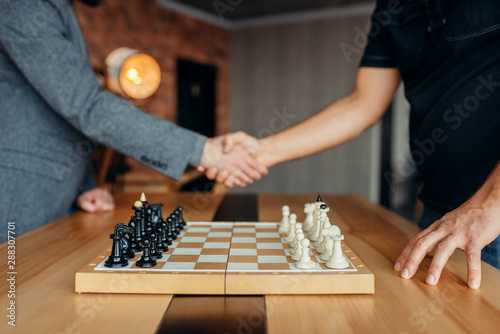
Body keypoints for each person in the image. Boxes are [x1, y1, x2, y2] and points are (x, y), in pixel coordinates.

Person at [211, 0, 500, 289]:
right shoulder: (391, 7)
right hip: (439, 212)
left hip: (491, 219)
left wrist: (489, 205)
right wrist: (261, 152)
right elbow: (363, 103)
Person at [0, 0, 266, 242]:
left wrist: (87, 186)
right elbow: (87, 105)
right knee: (12, 292)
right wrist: (201, 150)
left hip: (55, 194)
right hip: (17, 195)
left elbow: (62, 115)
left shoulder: (62, 10)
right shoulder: (22, 5)